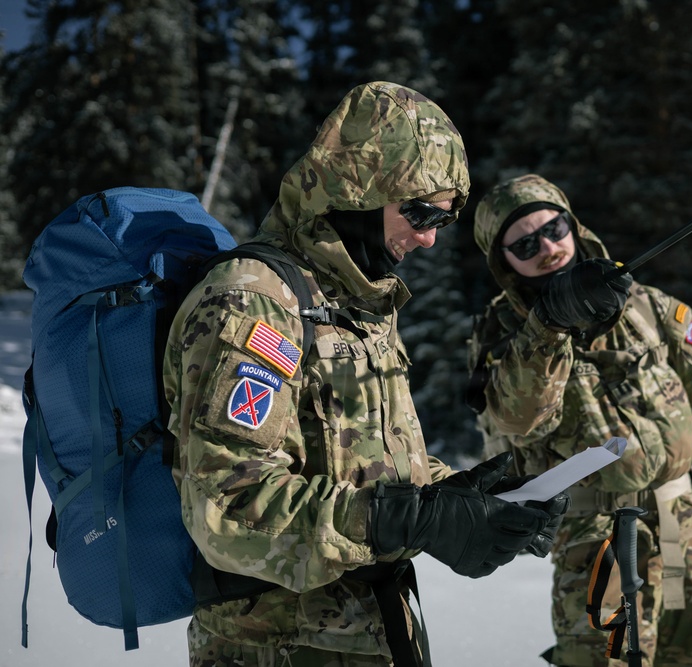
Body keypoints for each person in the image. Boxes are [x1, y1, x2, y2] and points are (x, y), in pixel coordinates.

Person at [163, 83, 566, 667]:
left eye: (445, 219)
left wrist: (463, 496)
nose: (428, 236)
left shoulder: (356, 306)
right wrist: (411, 518)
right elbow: (227, 505)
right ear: (360, 186)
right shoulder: (253, 300)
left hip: (375, 636)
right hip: (277, 649)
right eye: (421, 211)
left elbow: (369, 462)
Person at [466, 173, 692, 666]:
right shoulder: (499, 337)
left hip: (683, 527)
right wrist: (549, 326)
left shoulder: (650, 307)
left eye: (554, 229)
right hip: (595, 547)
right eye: (526, 243)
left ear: (573, 225)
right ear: (503, 260)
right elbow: (515, 421)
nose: (549, 249)